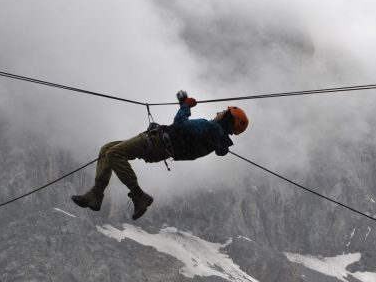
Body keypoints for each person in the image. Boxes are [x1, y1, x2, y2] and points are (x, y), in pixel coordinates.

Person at [72, 90, 249, 220]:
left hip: (155, 142)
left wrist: (186, 107)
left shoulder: (210, 127)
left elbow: (180, 125)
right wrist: (183, 105)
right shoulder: (216, 138)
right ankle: (96, 194)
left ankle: (138, 195)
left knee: (113, 153)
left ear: (227, 118)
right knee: (107, 149)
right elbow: (186, 136)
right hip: (159, 148)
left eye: (223, 112)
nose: (218, 112)